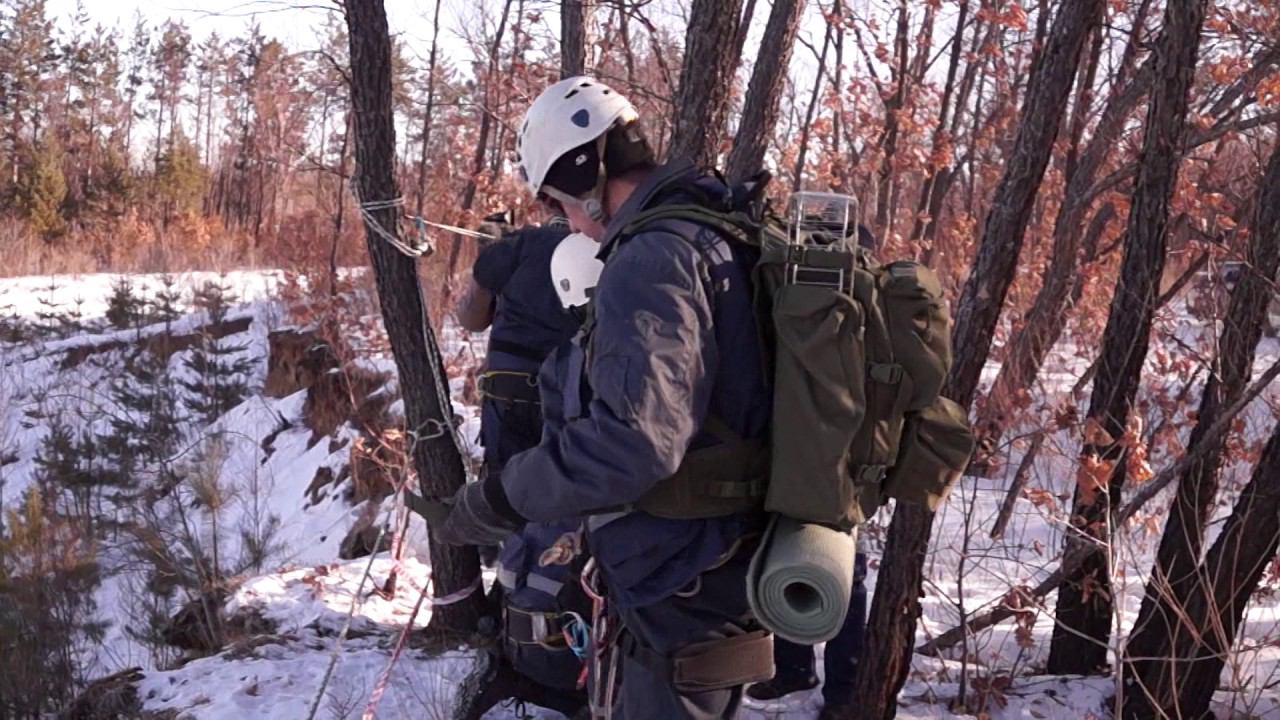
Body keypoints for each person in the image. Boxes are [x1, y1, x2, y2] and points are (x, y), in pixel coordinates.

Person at [437, 76, 775, 719]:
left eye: (559, 202)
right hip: (709, 566)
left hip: (681, 577)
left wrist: (503, 496)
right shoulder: (707, 232)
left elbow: (634, 440)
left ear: (584, 172)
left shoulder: (652, 258)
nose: (569, 224)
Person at [450, 221, 591, 719]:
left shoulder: (517, 246)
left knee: (513, 507)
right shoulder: (607, 246)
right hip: (573, 396)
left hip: (512, 400)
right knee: (562, 511)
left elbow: (470, 318)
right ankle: (547, 629)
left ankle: (521, 628)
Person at [745, 216, 874, 719]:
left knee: (841, 569)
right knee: (791, 554)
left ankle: (843, 690)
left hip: (835, 450)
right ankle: (799, 669)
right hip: (805, 444)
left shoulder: (857, 299)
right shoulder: (790, 289)